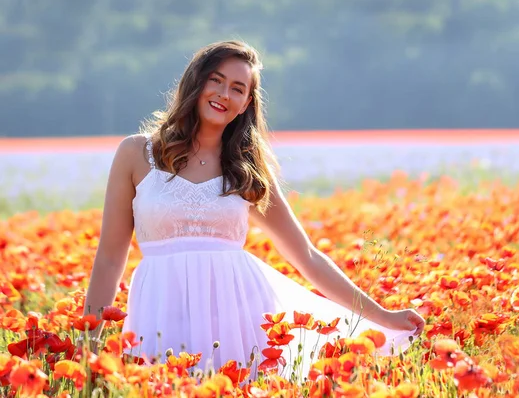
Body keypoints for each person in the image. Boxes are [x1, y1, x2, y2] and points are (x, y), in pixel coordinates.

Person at [81, 40, 425, 377]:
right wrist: (89, 346)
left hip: (237, 322)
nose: (223, 94)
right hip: (160, 313)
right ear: (196, 82)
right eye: (215, 80)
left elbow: (305, 255)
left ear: (246, 103)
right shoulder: (137, 154)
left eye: (237, 88)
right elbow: (110, 258)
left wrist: (383, 315)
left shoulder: (246, 168)